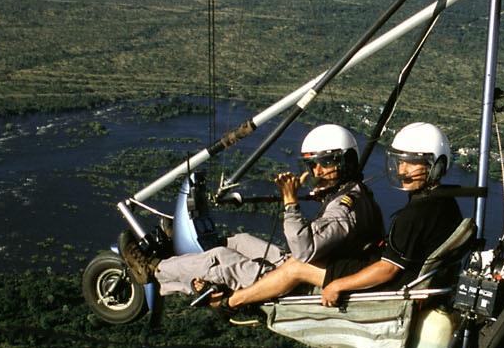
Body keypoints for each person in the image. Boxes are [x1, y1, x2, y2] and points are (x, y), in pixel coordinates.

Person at [118, 124, 382, 300]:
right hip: (317, 268)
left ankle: (154, 269)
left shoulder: (345, 206)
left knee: (221, 259)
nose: (318, 172)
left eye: (326, 164)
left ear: (345, 162)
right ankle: (186, 260)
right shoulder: (352, 194)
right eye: (313, 166)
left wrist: (290, 203)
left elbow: (304, 252)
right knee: (238, 241)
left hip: (302, 285)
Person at [223, 121, 462, 310]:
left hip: (390, 288)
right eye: (401, 163)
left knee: (296, 267)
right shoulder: (444, 203)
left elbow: (387, 270)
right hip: (405, 278)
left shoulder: (417, 214)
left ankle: (233, 302)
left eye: (413, 164)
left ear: (437, 166)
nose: (403, 171)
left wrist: (338, 285)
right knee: (293, 261)